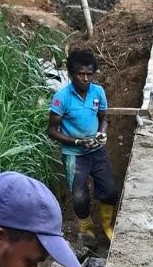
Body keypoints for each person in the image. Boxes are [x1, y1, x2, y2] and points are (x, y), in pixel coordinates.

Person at [47, 46, 119, 246]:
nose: (85, 79)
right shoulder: (62, 98)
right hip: (74, 154)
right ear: (71, 74)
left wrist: (101, 133)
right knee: (79, 196)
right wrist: (77, 142)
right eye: (80, 74)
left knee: (110, 191)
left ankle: (106, 227)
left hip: (97, 150)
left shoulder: (98, 92)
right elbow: (52, 130)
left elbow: (103, 118)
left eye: (89, 74)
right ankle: (86, 230)